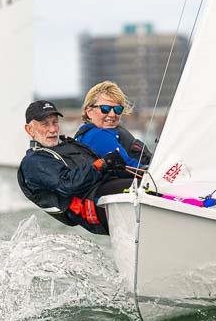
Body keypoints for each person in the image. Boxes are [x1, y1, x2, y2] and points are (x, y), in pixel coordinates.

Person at [17, 100, 132, 235]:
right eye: (45, 124)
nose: (53, 129)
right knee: (143, 188)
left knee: (149, 182)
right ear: (29, 129)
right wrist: (103, 164)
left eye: (55, 122)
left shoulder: (67, 144)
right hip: (93, 206)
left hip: (105, 191)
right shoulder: (34, 161)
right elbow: (69, 184)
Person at [74, 81, 152, 171]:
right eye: (105, 109)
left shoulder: (105, 132)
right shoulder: (97, 136)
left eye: (117, 109)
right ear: (89, 112)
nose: (112, 114)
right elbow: (131, 167)